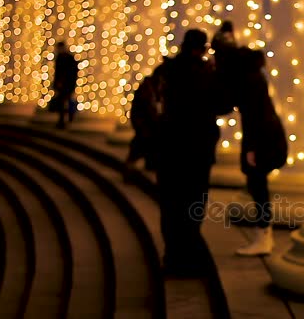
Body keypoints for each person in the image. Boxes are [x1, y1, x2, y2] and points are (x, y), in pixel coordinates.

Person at [155, 29, 232, 277]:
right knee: (193, 202)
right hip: (198, 148)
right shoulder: (206, 74)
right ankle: (188, 257)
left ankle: (172, 256)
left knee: (170, 203)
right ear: (203, 47)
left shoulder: (167, 70)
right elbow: (224, 105)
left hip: (168, 146)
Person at [234, 48, 288, 256]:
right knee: (258, 186)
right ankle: (264, 235)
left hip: (263, 141)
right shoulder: (256, 78)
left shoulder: (250, 82)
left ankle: (263, 236)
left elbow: (254, 119)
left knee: (258, 186)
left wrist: (252, 148)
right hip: (268, 138)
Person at [123, 62, 166, 181]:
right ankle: (130, 172)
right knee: (139, 147)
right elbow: (145, 110)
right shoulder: (147, 89)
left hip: (147, 127)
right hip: (145, 127)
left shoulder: (155, 88)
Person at [52, 41, 79, 129]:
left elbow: (73, 72)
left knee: (68, 102)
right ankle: (62, 120)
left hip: (68, 85)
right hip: (62, 85)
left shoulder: (69, 58)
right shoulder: (60, 58)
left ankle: (68, 119)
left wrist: (71, 84)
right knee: (62, 103)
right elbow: (57, 73)